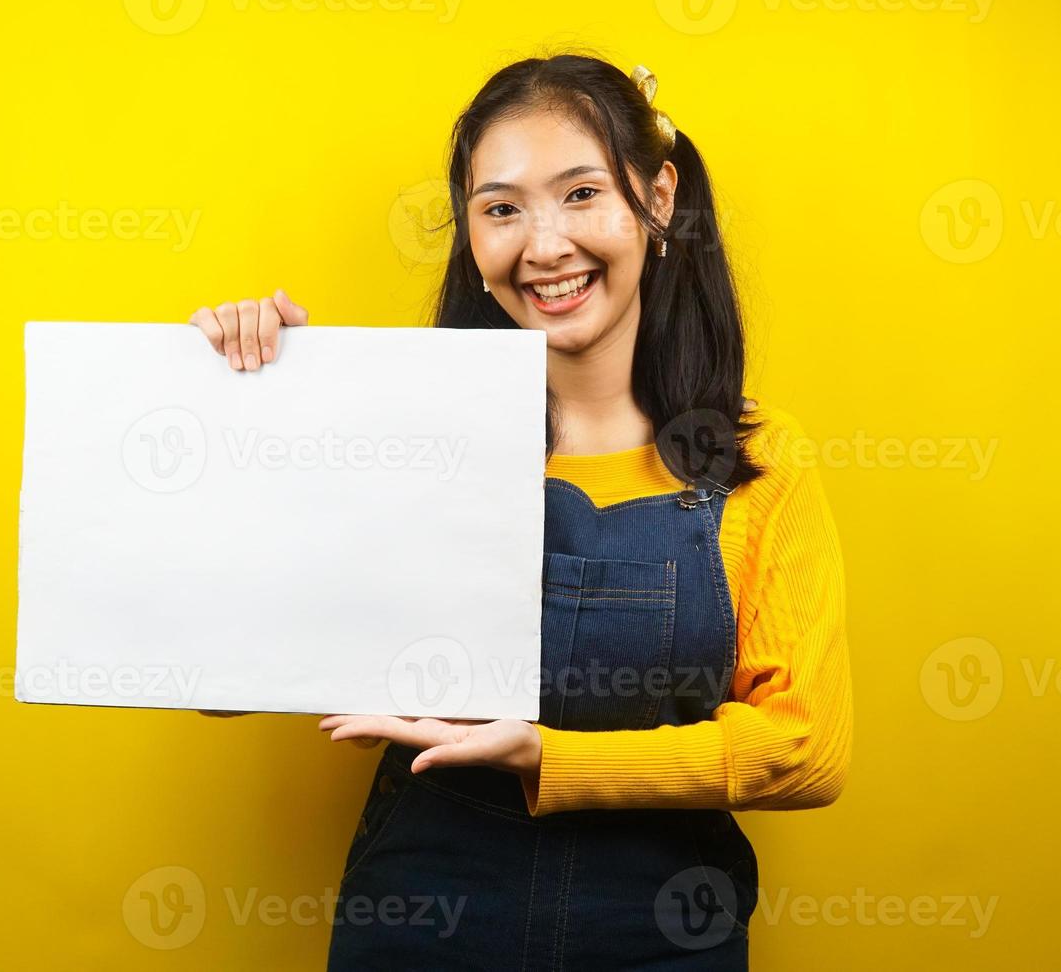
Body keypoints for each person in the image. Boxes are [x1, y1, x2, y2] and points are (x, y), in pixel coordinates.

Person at [190, 53, 853, 969]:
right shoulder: (399, 437)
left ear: (659, 198)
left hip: (662, 935)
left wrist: (553, 760)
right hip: (422, 927)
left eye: (581, 194)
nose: (543, 246)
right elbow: (215, 686)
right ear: (471, 235)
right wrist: (262, 416)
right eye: (502, 208)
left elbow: (807, 750)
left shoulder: (755, 458)